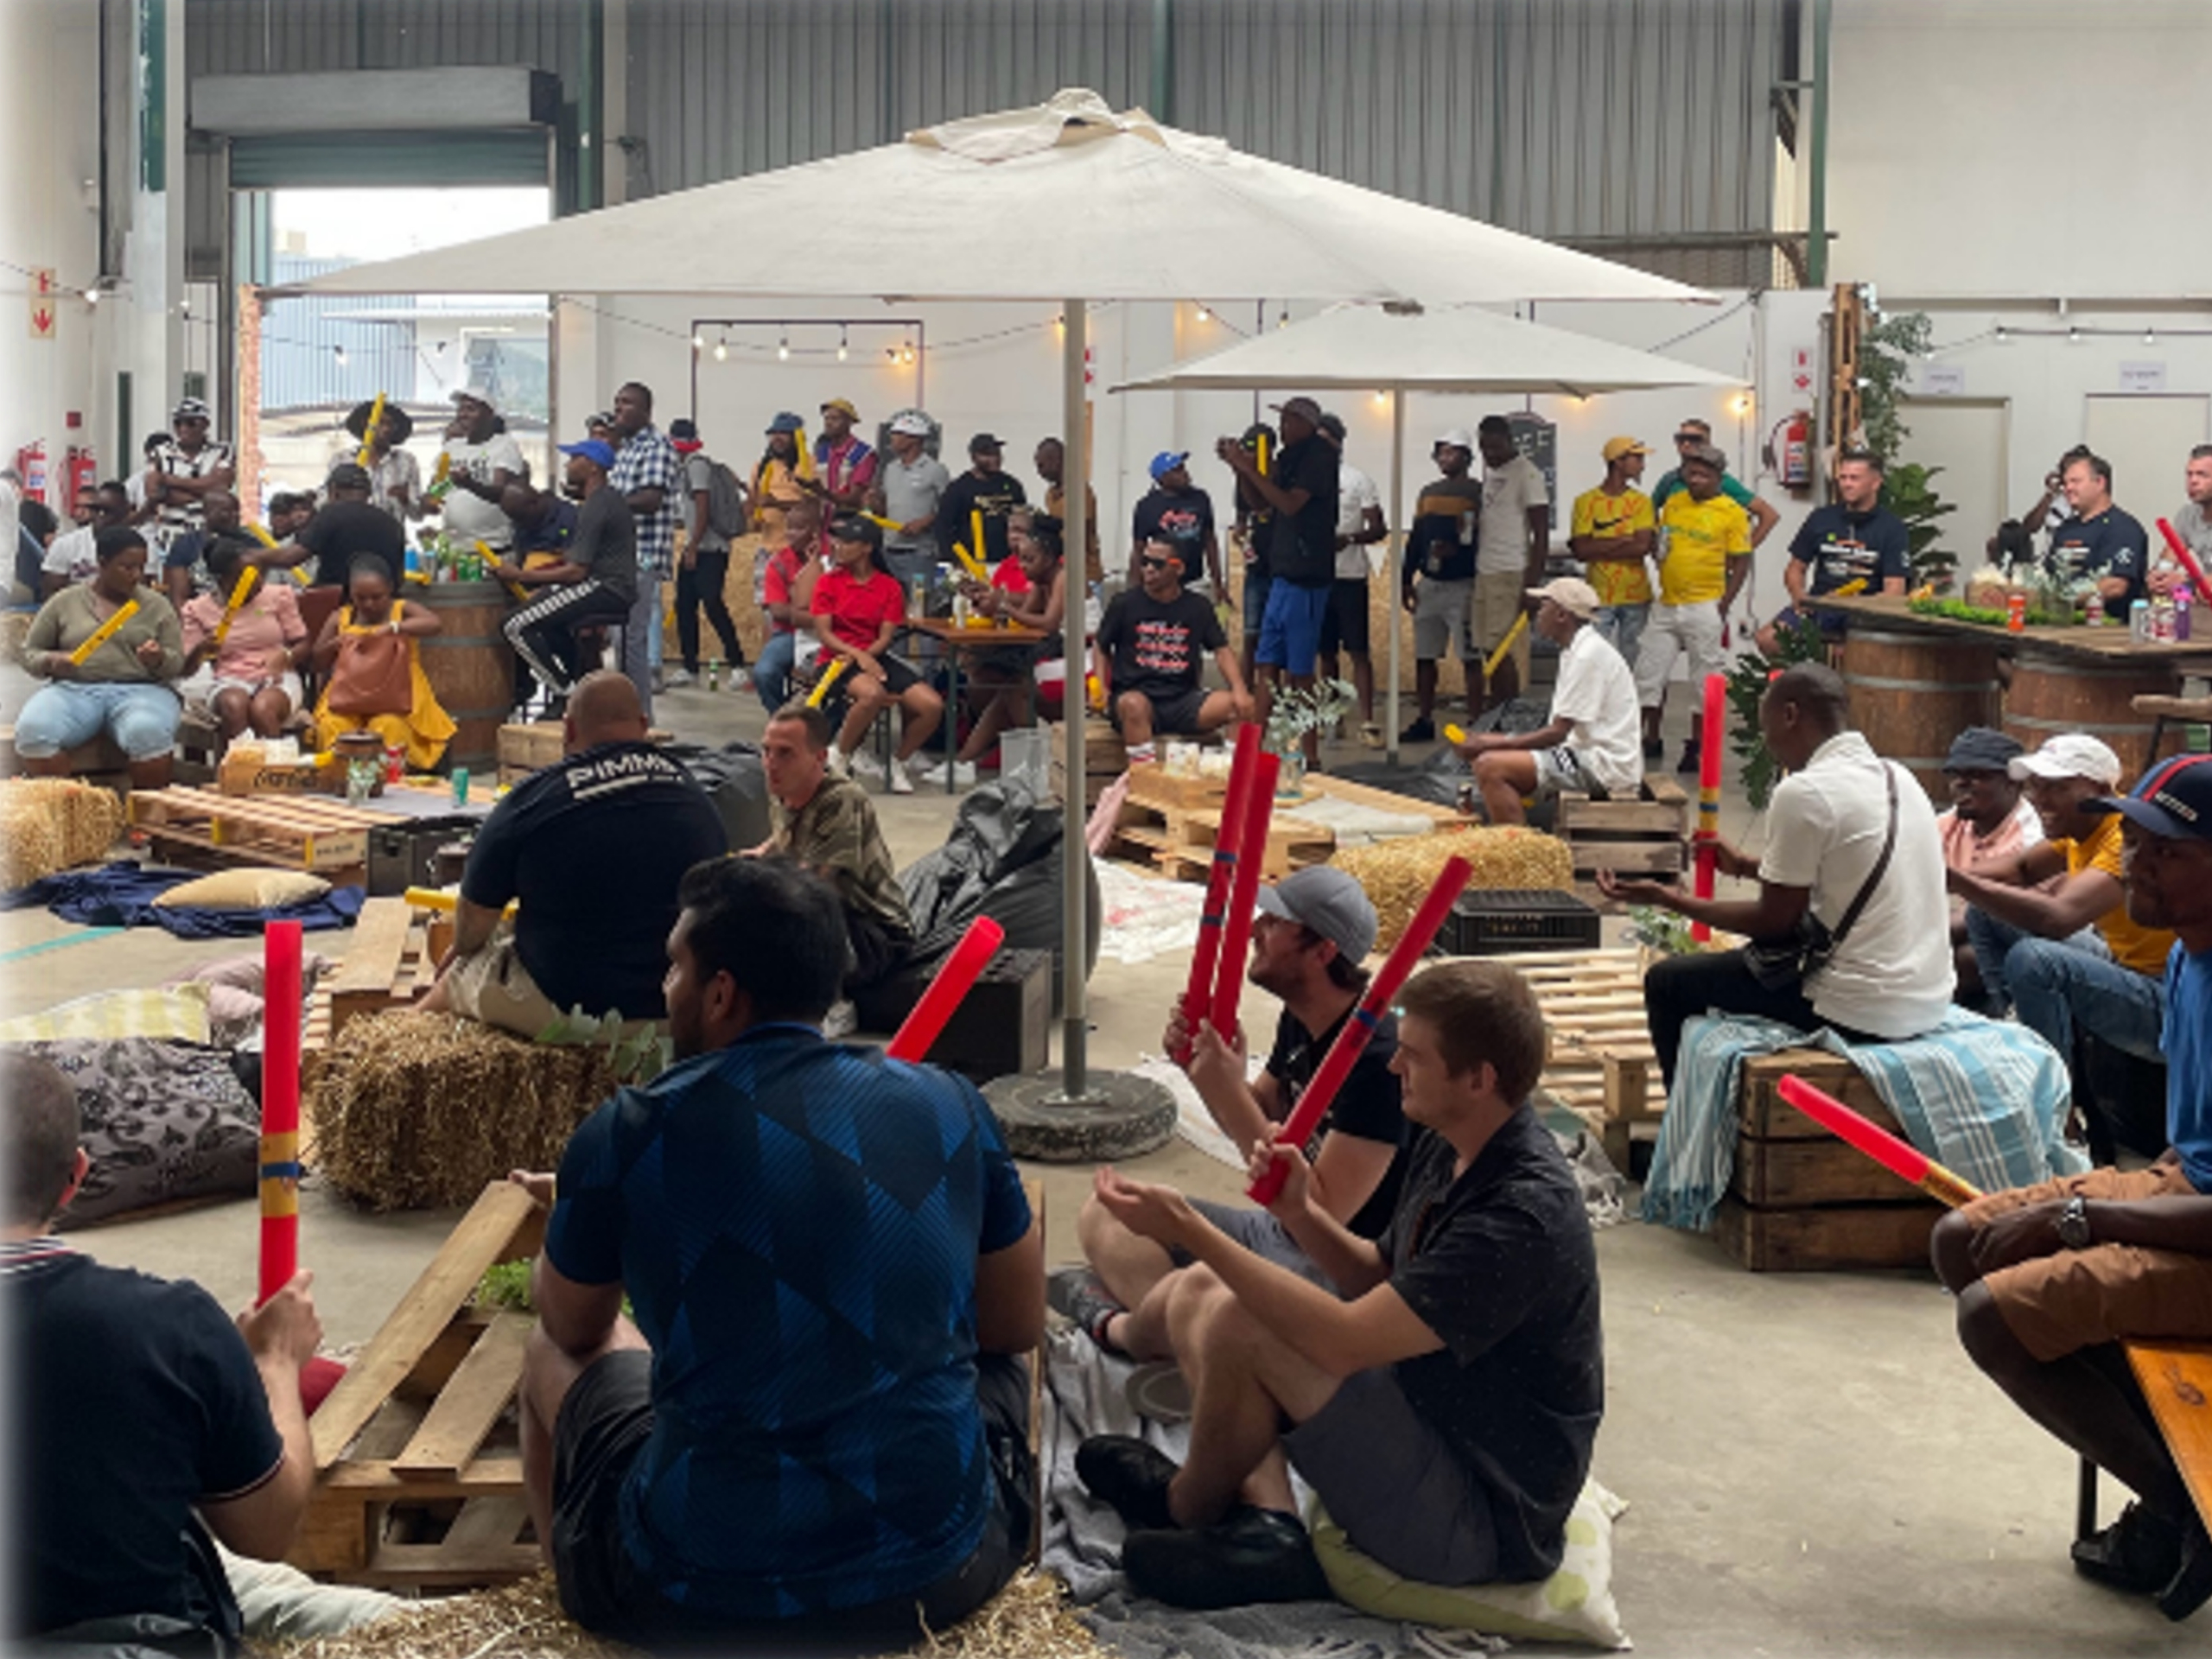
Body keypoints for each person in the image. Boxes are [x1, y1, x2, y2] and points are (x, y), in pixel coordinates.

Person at [509, 855, 1039, 1645]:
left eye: (674, 970)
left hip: (700, 1592)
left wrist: (594, 1217)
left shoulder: (628, 1134)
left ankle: (582, 1605)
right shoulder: (948, 1102)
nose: (665, 990)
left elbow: (574, 1325)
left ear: (721, 993)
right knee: (1001, 1367)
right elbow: (1015, 1325)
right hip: (939, 1574)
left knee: (545, 1357)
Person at [1073, 959, 1600, 1609]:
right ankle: (1253, 1522)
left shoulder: (1519, 1218)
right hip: (1430, 1418)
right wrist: (1300, 1210)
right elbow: (1378, 1273)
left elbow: (1344, 1343)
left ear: (1478, 1079)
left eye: (1413, 1056)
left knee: (1245, 1317)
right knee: (1213, 1291)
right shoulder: (1453, 1138)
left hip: (1481, 1520)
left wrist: (1187, 1225)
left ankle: (1187, 1508)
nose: (1392, 1067)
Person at [1930, 753, 2212, 1623]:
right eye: (2133, 839)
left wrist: (2086, 1216)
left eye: (2164, 849)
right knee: (1962, 1242)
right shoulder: (2186, 958)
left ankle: (2185, 1507)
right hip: (2189, 1184)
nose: (2134, 860)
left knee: (1993, 1314)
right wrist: (2112, 1205)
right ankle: (2171, 1473)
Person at [4, 1052, 401, 1649]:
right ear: (75, 1178)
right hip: (139, 1632)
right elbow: (267, 1529)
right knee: (369, 1620)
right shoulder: (168, 1326)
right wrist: (276, 1367)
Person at [1057, 867, 1408, 1352]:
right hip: (1277, 1233)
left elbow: (1319, 1207)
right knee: (1110, 1210)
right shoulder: (1303, 1017)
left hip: (1332, 1261)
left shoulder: (1376, 1061)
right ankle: (1180, 1340)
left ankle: (1146, 1333)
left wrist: (1224, 1090)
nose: (1255, 929)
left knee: (1209, 1294)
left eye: (1275, 923)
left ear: (1323, 951)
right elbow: (1259, 1111)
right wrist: (1207, 1072)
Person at [1604, 664, 1955, 1087]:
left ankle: (1690, 1127)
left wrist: (1668, 898)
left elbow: (1774, 922)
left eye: (1766, 729)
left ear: (1791, 715)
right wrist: (1752, 867)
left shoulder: (1803, 791)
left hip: (1864, 1011)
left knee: (1668, 982)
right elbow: (1841, 875)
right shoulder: (1900, 777)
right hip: (1930, 998)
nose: (1768, 745)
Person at [423, 671, 727, 1036]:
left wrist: (460, 952)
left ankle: (375, 1058)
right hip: (676, 1007)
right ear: (644, 725)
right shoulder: (695, 796)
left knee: (456, 977)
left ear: (568, 730)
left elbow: (475, 918)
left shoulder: (533, 799)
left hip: (570, 1005)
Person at [1951, 734, 2177, 1118]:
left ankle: (2058, 1101)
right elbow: (2017, 870)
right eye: (2036, 786)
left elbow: (2058, 919)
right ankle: (2016, 1026)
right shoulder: (2079, 831)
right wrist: (1929, 870)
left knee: (2035, 958)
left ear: (2101, 790)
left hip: (2163, 1000)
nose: (2040, 798)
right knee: (1983, 913)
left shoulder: (2123, 836)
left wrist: (1957, 882)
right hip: (2120, 964)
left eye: (2056, 787)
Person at [755, 702, 918, 1000]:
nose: (771, 763)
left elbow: (816, 884)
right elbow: (783, 840)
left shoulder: (841, 799)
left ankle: (833, 1002)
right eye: (766, 751)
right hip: (829, 917)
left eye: (785, 753)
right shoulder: (784, 792)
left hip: (873, 934)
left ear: (819, 757)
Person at [1454, 577, 1641, 825]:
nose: (1538, 614)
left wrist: (1494, 745)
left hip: (1603, 764)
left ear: (1562, 616)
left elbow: (1558, 733)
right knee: (1491, 761)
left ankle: (1518, 851)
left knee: (1491, 767)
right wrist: (1491, 741)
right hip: (1586, 754)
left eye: (1544, 607)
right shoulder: (1576, 650)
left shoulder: (1587, 655)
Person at [17, 525, 185, 789]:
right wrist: (51, 661)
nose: (136, 576)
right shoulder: (65, 602)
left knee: (148, 731)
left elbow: (177, 664)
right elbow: (29, 653)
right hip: (74, 689)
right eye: (127, 568)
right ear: (102, 563)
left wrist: (159, 659)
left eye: (141, 567)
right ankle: (65, 815)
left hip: (142, 690)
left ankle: (145, 820)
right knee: (35, 731)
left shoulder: (156, 605)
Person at [1218, 397, 1338, 761]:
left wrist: (1248, 468)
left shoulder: (1319, 456)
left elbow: (1289, 504)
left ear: (1307, 423)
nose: (1282, 428)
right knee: (1266, 662)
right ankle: (1254, 746)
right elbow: (1264, 506)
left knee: (1301, 671)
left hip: (1307, 575)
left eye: (1289, 421)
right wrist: (1239, 469)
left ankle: (1311, 754)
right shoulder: (1287, 458)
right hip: (1281, 571)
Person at [929, 508, 1069, 788]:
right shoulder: (1041, 582)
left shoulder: (1063, 577)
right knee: (1007, 689)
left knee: (1017, 689)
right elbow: (1024, 623)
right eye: (1021, 559)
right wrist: (993, 609)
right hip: (1053, 653)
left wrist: (1004, 607)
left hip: (1079, 657)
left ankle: (1035, 763)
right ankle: (965, 762)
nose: (1023, 566)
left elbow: (1049, 623)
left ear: (1050, 557)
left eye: (1029, 559)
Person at [1635, 441, 1752, 774]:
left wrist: (1724, 604)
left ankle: (1697, 747)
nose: (1696, 478)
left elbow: (1741, 563)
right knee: (1649, 674)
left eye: (1703, 473)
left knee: (1705, 680)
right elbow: (1663, 545)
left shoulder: (1732, 512)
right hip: (1667, 605)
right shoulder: (1673, 503)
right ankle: (1645, 740)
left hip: (1705, 605)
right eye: (1691, 472)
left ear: (1718, 476)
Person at [500, 439, 639, 716]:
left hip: (606, 587)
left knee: (514, 624)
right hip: (607, 585)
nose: (568, 464)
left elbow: (578, 571)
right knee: (548, 621)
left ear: (592, 468)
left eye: (575, 458)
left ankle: (565, 693)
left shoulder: (597, 505)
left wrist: (522, 575)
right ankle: (576, 684)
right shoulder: (605, 500)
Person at [811, 512, 941, 793]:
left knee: (931, 705)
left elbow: (885, 636)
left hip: (875, 655)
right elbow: (825, 634)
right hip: (835, 659)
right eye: (837, 541)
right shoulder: (828, 582)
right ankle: (840, 754)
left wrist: (867, 656)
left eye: (847, 542)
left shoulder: (889, 587)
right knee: (872, 695)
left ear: (867, 547)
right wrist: (859, 657)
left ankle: (898, 761)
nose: (838, 547)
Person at [1096, 536, 1253, 765]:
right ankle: (1146, 781)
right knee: (1134, 706)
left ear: (1178, 568)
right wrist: (1101, 685)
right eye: (1145, 561)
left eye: (1157, 564)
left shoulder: (1198, 607)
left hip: (1183, 698)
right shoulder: (1124, 603)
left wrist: (1239, 688)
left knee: (1240, 707)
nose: (1148, 569)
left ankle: (1230, 776)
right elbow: (1101, 647)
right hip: (1136, 695)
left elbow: (1221, 649)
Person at [308, 556, 456, 771]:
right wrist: (335, 645)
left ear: (390, 589)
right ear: (351, 593)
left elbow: (434, 624)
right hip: (347, 695)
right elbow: (317, 661)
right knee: (333, 724)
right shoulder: (341, 617)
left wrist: (395, 628)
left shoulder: (401, 609)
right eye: (361, 598)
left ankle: (385, 780)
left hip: (398, 695)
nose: (369, 604)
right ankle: (341, 775)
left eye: (377, 597)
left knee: (389, 726)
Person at [1759, 447, 1911, 653]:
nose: (1847, 484)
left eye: (1855, 478)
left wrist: (1858, 604)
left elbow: (1895, 590)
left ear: (1875, 483)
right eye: (1843, 478)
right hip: (1821, 605)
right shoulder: (1821, 518)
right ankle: (1795, 681)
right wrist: (1799, 596)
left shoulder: (1892, 528)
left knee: (1853, 654)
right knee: (1768, 638)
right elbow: (1795, 568)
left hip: (1865, 612)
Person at [1931, 727, 2044, 1002]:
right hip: (1951, 921)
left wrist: (1920, 938)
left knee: (1965, 957)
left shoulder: (2030, 838)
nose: (1961, 784)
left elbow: (1986, 915)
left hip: (2014, 934)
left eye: (1977, 776)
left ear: (2012, 784)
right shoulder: (1948, 824)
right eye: (1956, 775)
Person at [1397, 429, 1484, 743]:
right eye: (1441, 453)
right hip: (1430, 582)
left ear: (1466, 456)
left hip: (1464, 584)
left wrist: (1459, 551)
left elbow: (1483, 538)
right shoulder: (1428, 493)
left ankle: (1475, 720)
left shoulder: (1478, 492)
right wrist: (1406, 579)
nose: (1445, 459)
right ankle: (1425, 718)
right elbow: (1417, 538)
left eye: (1451, 453)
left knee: (1470, 656)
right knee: (1425, 655)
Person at [179, 536, 310, 743]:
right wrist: (201, 650)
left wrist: (287, 656)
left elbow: (303, 643)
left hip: (276, 676)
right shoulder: (197, 610)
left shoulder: (278, 596)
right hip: (228, 678)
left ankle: (273, 768)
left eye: (259, 572)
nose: (257, 581)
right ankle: (242, 765)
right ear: (222, 579)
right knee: (235, 705)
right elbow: (185, 668)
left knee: (263, 709)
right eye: (246, 577)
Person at [607, 381, 682, 709]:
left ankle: (641, 719)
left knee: (631, 641)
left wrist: (606, 505)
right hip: (618, 557)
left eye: (627, 403)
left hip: (643, 556)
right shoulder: (625, 451)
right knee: (619, 641)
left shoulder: (657, 447)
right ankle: (627, 712)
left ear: (646, 411)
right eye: (617, 402)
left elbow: (650, 499)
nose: (618, 408)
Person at [1316, 412, 1388, 745]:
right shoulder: (1309, 479)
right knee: (1326, 653)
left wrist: (1350, 538)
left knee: (1358, 652)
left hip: (1350, 576)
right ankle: (1332, 718)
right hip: (1316, 578)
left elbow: (1379, 529)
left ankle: (1368, 722)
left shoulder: (1357, 479)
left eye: (1326, 439)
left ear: (1338, 441)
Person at [1473, 415, 1552, 708]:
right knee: (1485, 647)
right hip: (1485, 568)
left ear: (1510, 441)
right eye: (1484, 449)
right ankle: (1499, 707)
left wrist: (1532, 584)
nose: (1490, 455)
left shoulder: (1527, 474)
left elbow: (1541, 533)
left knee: (1499, 648)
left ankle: (1506, 709)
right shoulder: (1493, 472)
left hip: (1510, 570)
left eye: (1495, 447)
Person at [667, 416, 744, 687]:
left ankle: (737, 663)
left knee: (712, 603)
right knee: (685, 605)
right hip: (698, 546)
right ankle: (690, 666)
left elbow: (703, 505)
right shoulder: (690, 466)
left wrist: (694, 545)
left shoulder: (696, 466)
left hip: (710, 549)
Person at [1570, 436, 1657, 664]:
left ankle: (1629, 701)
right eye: (1637, 458)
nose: (1642, 465)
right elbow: (1580, 550)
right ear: (1618, 461)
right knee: (1592, 657)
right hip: (1598, 594)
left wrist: (1599, 545)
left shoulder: (1641, 502)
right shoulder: (1585, 502)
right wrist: (1625, 539)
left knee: (1635, 661)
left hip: (1636, 594)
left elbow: (1641, 547)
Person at [262, 462, 405, 586]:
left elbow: (291, 558)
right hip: (383, 607)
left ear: (334, 492)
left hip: (333, 605)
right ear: (368, 493)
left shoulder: (331, 515)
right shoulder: (393, 524)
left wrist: (253, 556)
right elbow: (399, 578)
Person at [1649, 416, 1781, 547]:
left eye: (1694, 439)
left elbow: (1769, 516)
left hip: (1712, 563)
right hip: (1676, 563)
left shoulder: (1722, 482)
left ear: (1707, 444)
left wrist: (1742, 551)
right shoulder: (1670, 480)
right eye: (1681, 439)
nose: (1686, 444)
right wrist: (1655, 545)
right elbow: (1649, 512)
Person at [430, 384, 525, 556]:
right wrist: (428, 500)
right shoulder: (451, 447)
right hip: (454, 548)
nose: (462, 415)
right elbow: (436, 491)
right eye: (460, 410)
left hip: (492, 548)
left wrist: (469, 484)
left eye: (470, 409)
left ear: (489, 414)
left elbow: (501, 493)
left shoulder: (504, 444)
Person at [2047, 450, 2151, 608]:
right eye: (2065, 483)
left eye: (2075, 481)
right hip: (2057, 622)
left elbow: (2116, 586)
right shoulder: (2065, 529)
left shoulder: (2123, 528)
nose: (2068, 488)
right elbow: (2047, 577)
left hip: (2108, 628)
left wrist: (2065, 599)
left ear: (2100, 483)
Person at [750, 494, 821, 715]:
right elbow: (778, 611)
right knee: (764, 673)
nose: (791, 534)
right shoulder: (778, 563)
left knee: (841, 680)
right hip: (789, 634)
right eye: (789, 528)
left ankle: (826, 729)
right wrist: (817, 616)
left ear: (815, 531)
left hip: (831, 635)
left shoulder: (831, 560)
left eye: (799, 528)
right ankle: (783, 718)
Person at [869, 410, 951, 594]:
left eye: (898, 434)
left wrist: (924, 522)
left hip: (918, 552)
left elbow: (947, 509)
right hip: (889, 549)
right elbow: (884, 508)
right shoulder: (890, 469)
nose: (892, 439)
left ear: (914, 439)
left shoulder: (935, 470)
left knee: (919, 603)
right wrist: (874, 503)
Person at [145, 397, 237, 551]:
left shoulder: (223, 451)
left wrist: (169, 480)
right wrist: (204, 491)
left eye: (191, 423)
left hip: (208, 534)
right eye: (178, 423)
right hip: (171, 533)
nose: (183, 428)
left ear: (205, 424)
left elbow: (220, 486)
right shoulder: (160, 453)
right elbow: (154, 493)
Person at [1130, 450, 1225, 593]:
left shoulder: (1200, 498)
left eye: (1183, 468)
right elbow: (1139, 550)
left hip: (1194, 581)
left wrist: (1217, 582)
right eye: (1177, 470)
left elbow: (1210, 540)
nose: (1184, 473)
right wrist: (1136, 589)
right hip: (1160, 580)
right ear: (1163, 478)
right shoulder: (1147, 506)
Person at [938, 433, 1029, 569]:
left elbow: (1023, 521)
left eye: (997, 454)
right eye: (987, 455)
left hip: (1008, 561)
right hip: (972, 563)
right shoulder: (959, 488)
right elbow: (943, 527)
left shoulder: (1012, 485)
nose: (995, 459)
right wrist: (956, 559)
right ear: (974, 457)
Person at [41, 480, 130, 597]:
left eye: (108, 512)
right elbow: (51, 594)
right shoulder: (66, 545)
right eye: (96, 510)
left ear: (125, 513)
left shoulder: (136, 547)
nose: (101, 516)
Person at [1035, 435, 1103, 587]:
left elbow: (1078, 535)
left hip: (1085, 577)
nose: (1039, 472)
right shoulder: (1051, 494)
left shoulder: (1080, 492)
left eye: (1041, 466)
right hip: (1061, 576)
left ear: (1056, 461)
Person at [161, 486, 245, 607]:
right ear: (206, 513)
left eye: (237, 511)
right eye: (226, 511)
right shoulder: (186, 545)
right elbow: (179, 597)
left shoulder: (250, 543)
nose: (235, 516)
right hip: (198, 614)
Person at [346, 398, 421, 522]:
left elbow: (417, 515)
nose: (386, 430)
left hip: (391, 537)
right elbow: (325, 502)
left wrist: (405, 499)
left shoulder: (407, 461)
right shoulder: (344, 459)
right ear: (366, 425)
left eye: (390, 425)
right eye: (381, 423)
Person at [747, 411, 812, 549]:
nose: (777, 438)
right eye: (773, 434)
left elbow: (814, 508)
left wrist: (776, 503)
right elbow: (752, 500)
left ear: (796, 437)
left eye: (783, 433)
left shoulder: (809, 465)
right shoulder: (761, 467)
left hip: (798, 548)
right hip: (767, 547)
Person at [807, 397, 879, 519]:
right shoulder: (821, 451)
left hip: (849, 522)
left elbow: (855, 497)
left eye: (835, 419)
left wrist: (822, 493)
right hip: (821, 521)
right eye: (826, 418)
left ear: (849, 422)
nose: (828, 423)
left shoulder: (864, 453)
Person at [2157, 444, 2212, 588]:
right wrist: (2159, 577)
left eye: (2202, 475)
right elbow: (2168, 559)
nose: (2193, 481)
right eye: (2189, 474)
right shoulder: (2188, 515)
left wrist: (2185, 582)